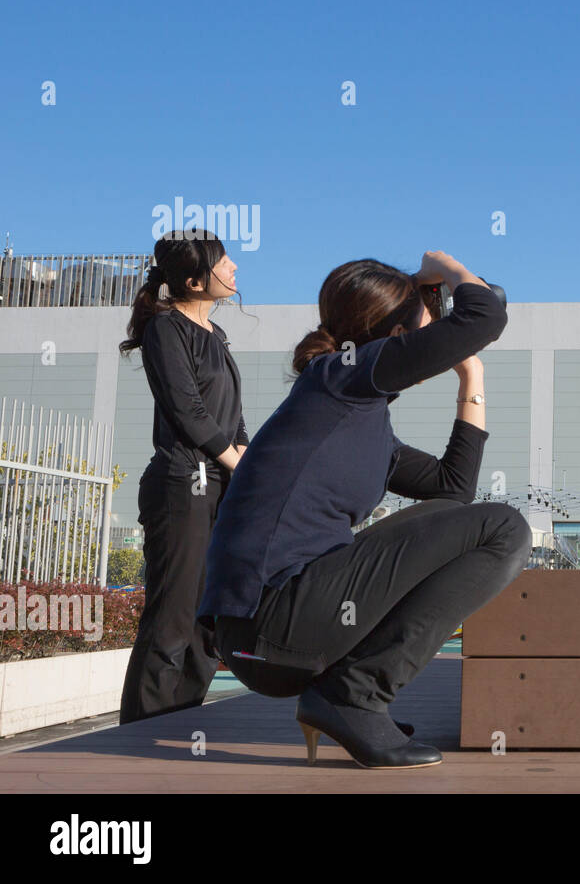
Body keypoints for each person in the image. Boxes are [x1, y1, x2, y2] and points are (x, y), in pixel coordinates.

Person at [199, 251, 531, 769]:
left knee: (476, 524)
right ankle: (354, 695)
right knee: (506, 527)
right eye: (427, 327)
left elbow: (453, 490)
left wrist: (471, 376)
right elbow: (484, 316)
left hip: (279, 633)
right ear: (398, 338)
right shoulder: (339, 377)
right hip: (269, 622)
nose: (436, 337)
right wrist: (441, 265)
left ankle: (348, 695)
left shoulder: (358, 416)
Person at [118, 229, 246, 723]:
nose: (234, 267)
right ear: (195, 281)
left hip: (220, 484)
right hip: (182, 482)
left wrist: (247, 464)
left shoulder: (217, 335)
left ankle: (180, 720)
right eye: (223, 262)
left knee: (206, 622)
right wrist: (237, 465)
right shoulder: (166, 329)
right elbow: (190, 414)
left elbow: (232, 418)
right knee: (173, 617)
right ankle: (139, 732)